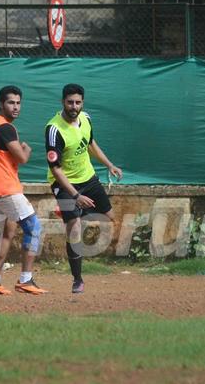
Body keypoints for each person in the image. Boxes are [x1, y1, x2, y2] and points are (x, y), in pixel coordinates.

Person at [44, 83, 122, 293]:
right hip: (64, 183)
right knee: (74, 227)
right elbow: (56, 170)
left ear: (82, 103)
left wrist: (109, 165)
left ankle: (80, 215)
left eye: (78, 102)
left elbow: (90, 144)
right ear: (63, 102)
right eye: (70, 102)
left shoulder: (86, 118)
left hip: (88, 178)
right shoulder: (54, 130)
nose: (74, 106)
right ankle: (77, 279)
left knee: (112, 217)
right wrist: (75, 196)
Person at [0, 86, 47, 295]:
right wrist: (27, 148)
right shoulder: (5, 128)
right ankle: (25, 280)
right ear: (1, 104)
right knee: (34, 228)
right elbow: (22, 158)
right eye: (11, 102)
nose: (16, 107)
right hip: (5, 188)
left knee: (8, 232)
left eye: (18, 103)